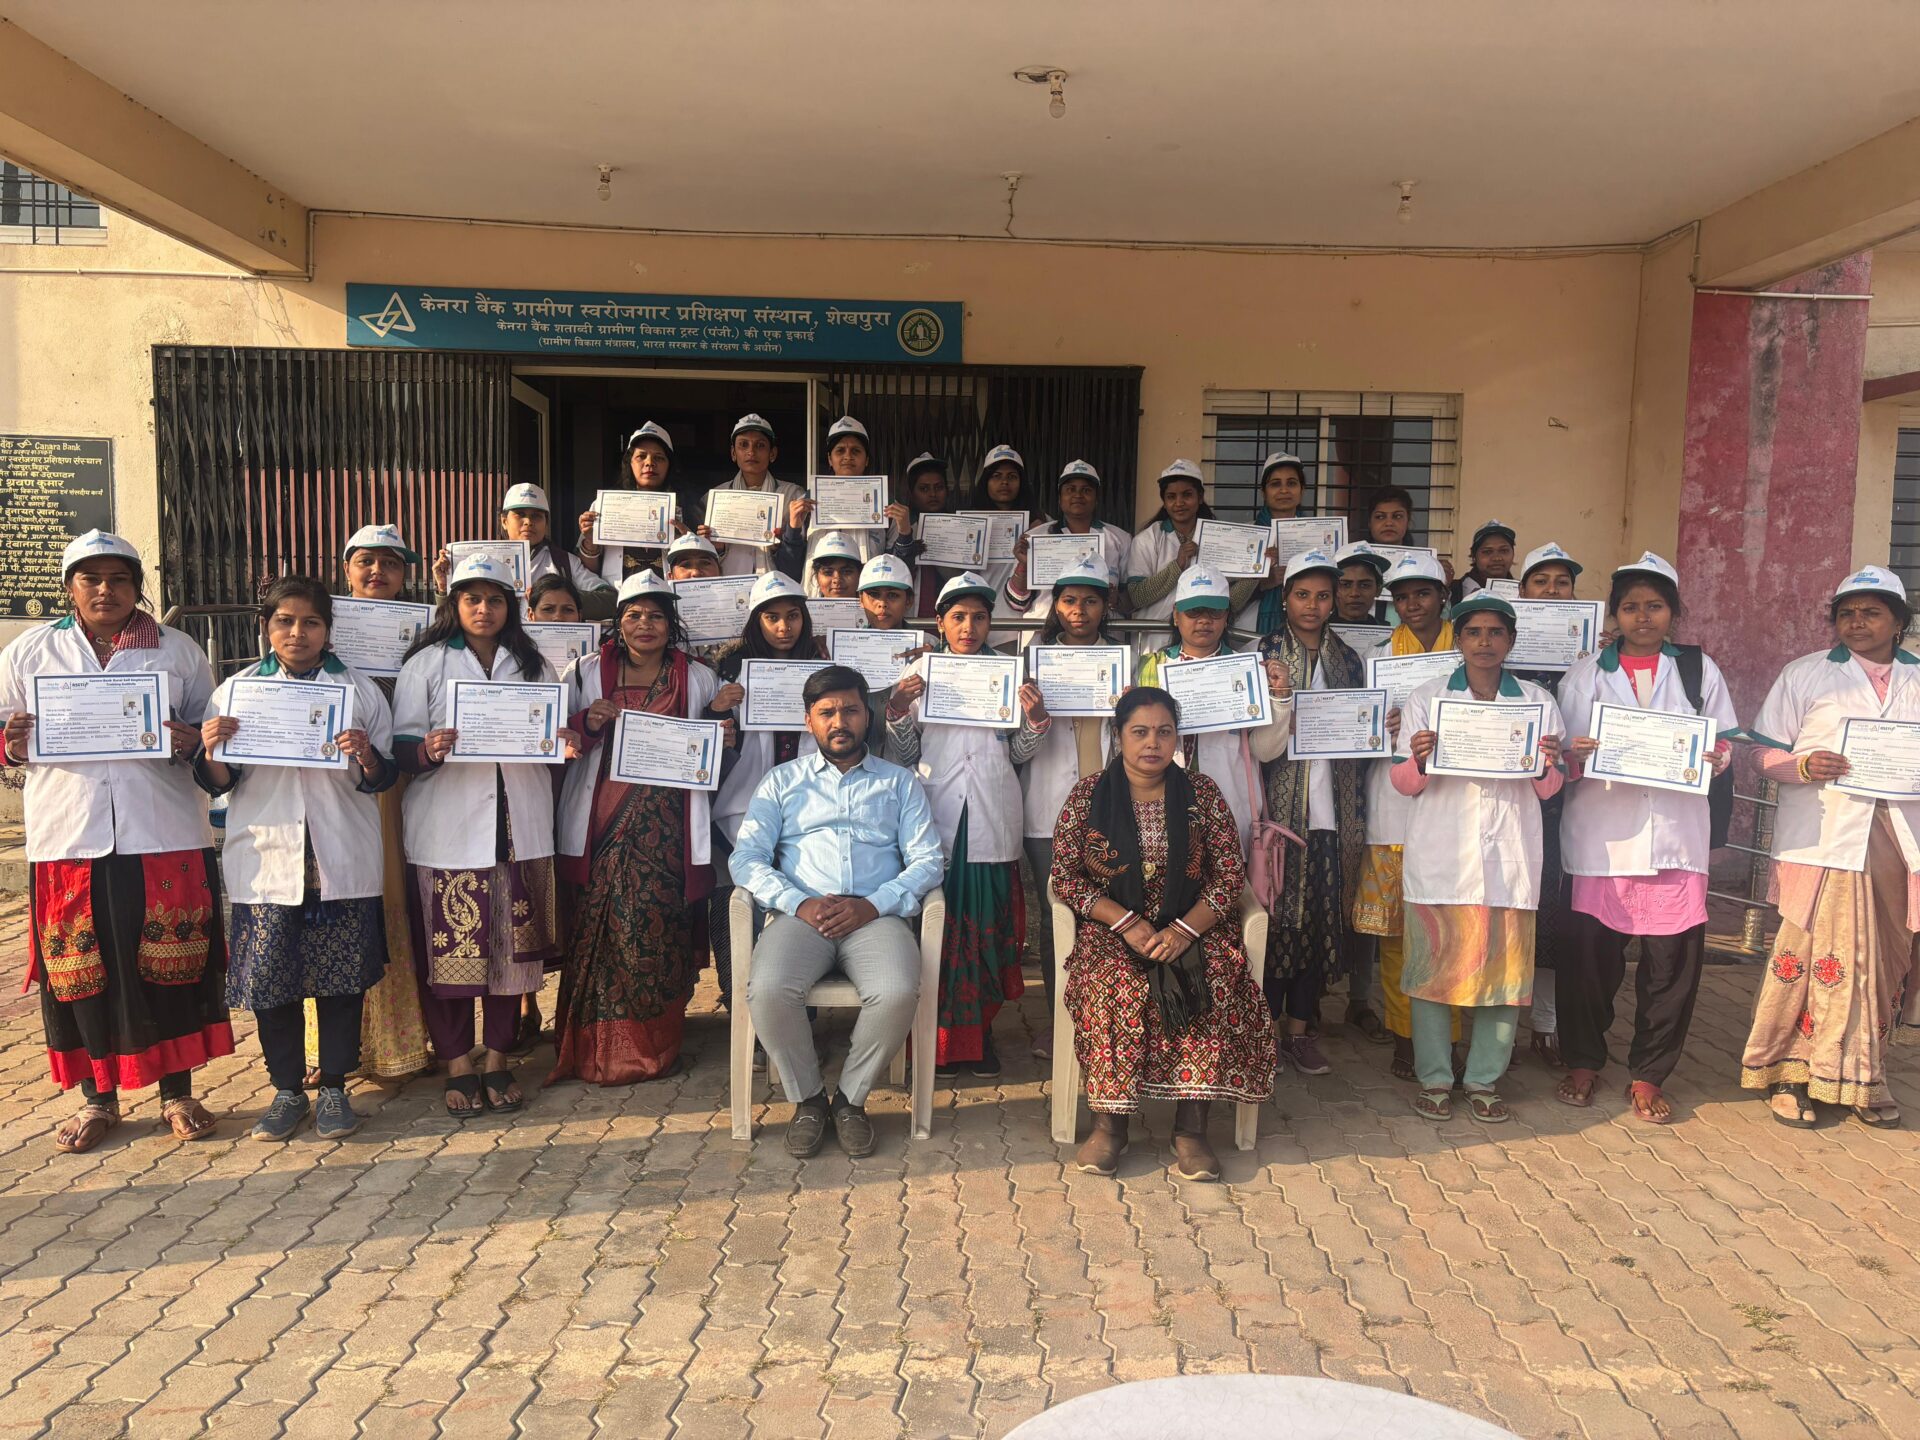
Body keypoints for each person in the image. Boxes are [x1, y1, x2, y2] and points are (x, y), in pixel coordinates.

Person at [0, 530, 230, 1152]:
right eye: (91, 578)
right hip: (69, 836)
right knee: (81, 969)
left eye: (120, 578)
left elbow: (210, 735)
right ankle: (97, 1099)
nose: (106, 590)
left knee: (172, 963)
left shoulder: (177, 651)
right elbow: (2, 735)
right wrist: (11, 742)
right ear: (70, 587)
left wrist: (192, 740)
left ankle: (177, 1092)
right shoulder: (30, 652)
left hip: (163, 831)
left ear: (136, 586)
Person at [197, 577, 395, 1140]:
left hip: (339, 854)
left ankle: (333, 1088)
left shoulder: (357, 691)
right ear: (266, 627)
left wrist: (367, 754)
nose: (297, 632)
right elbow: (219, 781)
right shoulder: (236, 692)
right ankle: (286, 1090)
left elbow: (383, 777)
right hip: (266, 856)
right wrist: (211, 747)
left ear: (328, 630)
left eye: (311, 622)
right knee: (271, 982)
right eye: (284, 621)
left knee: (341, 982)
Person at [1052, 687, 1278, 1180]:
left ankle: (1191, 1130)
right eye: (1139, 732)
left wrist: (1183, 930)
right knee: (1111, 983)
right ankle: (1110, 1125)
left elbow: (1228, 876)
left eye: (1164, 732)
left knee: (1215, 977)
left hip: (1191, 925)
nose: (1152, 743)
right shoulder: (1088, 795)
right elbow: (1066, 877)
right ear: (1119, 736)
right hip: (1114, 928)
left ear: (1178, 738)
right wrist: (1126, 922)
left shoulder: (1202, 793)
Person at [732, 665, 945, 1158]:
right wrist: (797, 902)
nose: (839, 721)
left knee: (896, 991)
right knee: (767, 991)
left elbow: (929, 860)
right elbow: (746, 859)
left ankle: (850, 1099)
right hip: (800, 916)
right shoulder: (781, 782)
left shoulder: (899, 783)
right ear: (809, 720)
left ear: (867, 715)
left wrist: (873, 904)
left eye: (850, 710)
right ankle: (809, 1100)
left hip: (876, 917)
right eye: (826, 712)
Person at [1555, 551, 1737, 1122]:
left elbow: (1724, 741)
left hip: (1676, 840)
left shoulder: (1699, 671)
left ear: (1672, 612)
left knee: (1671, 968)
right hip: (1602, 838)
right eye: (1631, 607)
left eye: (1654, 606)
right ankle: (1583, 1061)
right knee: (1589, 963)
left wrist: (1718, 756)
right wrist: (1575, 754)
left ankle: (1650, 1074)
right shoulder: (1586, 674)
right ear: (1616, 613)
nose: (1642, 617)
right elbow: (1559, 756)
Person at [1738, 565, 1920, 1129]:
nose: (1857, 622)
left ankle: (1864, 1075)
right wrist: (1802, 765)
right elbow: (1761, 754)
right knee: (1806, 954)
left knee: (1882, 963)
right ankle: (1790, 1074)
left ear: (1898, 621)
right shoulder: (1806, 673)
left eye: (1871, 613)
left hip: (1898, 842)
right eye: (1846, 613)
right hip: (1820, 839)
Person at [393, 553, 571, 1118]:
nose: (484, 609)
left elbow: (552, 740)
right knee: (449, 958)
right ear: (455, 603)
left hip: (520, 827)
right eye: (473, 598)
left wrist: (563, 739)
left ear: (509, 607)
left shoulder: (535, 666)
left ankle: (496, 1058)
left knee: (509, 956)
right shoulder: (425, 664)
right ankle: (457, 1063)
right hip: (447, 829)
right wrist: (427, 750)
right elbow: (401, 748)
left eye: (495, 599)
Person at [1392, 592, 1566, 1123]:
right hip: (1441, 858)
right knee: (1431, 975)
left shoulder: (1536, 701)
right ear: (1459, 639)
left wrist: (1548, 763)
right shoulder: (1428, 698)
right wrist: (1420, 758)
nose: (1484, 642)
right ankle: (1435, 1078)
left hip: (1509, 860)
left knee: (1505, 980)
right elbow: (1403, 782)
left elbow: (1551, 789)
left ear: (1510, 640)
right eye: (1473, 632)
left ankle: (1485, 1080)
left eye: (1495, 632)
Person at [551, 570, 726, 1084]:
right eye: (633, 615)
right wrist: (587, 723)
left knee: (655, 935)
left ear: (671, 625)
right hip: (600, 825)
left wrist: (720, 726)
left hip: (668, 832)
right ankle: (594, 1050)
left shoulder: (699, 676)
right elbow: (554, 736)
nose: (644, 624)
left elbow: (714, 749)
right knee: (600, 935)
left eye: (655, 616)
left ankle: (654, 1047)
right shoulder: (584, 672)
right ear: (618, 623)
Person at [887, 572, 1048, 1075]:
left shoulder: (1010, 674)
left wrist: (1037, 720)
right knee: (935, 935)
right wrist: (897, 709)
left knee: (986, 938)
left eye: (979, 617)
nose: (969, 627)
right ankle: (931, 1039)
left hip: (990, 818)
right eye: (958, 617)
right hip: (935, 814)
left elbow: (1017, 754)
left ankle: (980, 1037)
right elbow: (906, 754)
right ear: (940, 622)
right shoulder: (920, 675)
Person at [307, 525, 432, 1086]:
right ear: (346, 570)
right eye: (365, 561)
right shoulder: (318, 629)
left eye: (391, 562)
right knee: (338, 896)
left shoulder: (426, 633)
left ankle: (401, 1042)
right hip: (333, 786)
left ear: (405, 574)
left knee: (397, 895)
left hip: (404, 783)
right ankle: (334, 1048)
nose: (377, 571)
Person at [1250, 552, 1370, 1074]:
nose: (1313, 605)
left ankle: (1298, 1032)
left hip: (1332, 812)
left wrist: (1376, 725)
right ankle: (1263, 1032)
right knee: (1276, 923)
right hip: (1280, 813)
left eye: (1323, 596)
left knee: (1318, 924)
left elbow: (1360, 732)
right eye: (1303, 594)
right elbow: (1255, 740)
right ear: (1285, 598)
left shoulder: (1349, 660)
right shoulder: (1264, 652)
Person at [1020, 563, 1130, 1060]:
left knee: (1112, 914)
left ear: (1105, 606)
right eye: (1069, 600)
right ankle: (1059, 1020)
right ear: (1056, 606)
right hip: (1048, 807)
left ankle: (1108, 1022)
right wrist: (1032, 712)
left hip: (1109, 808)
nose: (1079, 610)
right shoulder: (1031, 662)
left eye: (1090, 601)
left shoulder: (1124, 662)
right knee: (1055, 917)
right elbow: (1016, 742)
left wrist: (1128, 706)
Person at [1353, 552, 1456, 1081]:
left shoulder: (1467, 653)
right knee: (1396, 937)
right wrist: (1377, 725)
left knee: (1451, 932)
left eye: (1423, 593)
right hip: (1392, 811)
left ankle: (1451, 1038)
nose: (1413, 604)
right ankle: (1405, 1034)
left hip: (1455, 810)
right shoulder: (1376, 655)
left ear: (1443, 596)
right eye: (1402, 596)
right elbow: (1353, 732)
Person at [708, 572, 822, 1005]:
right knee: (737, 900)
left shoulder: (822, 667)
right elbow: (710, 746)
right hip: (742, 807)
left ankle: (795, 1004)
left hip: (809, 807)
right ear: (756, 621)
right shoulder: (729, 672)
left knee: (799, 900)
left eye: (793, 616)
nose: (783, 627)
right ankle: (738, 997)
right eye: (771, 617)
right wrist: (717, 713)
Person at [1137, 568, 1290, 853]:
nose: (1204, 620)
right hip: (1162, 805)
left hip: (1230, 807)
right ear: (1176, 615)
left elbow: (1264, 751)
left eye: (1215, 612)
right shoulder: (1152, 668)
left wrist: (1281, 699)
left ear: (1227, 616)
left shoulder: (1248, 670)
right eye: (1194, 612)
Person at [1509, 541, 1586, 1071]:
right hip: (1511, 801)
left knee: (1554, 912)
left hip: (1570, 800)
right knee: (1512, 908)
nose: (1552, 591)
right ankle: (1502, 1026)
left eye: (1562, 583)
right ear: (1522, 591)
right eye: (1541, 581)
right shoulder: (1500, 653)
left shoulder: (1590, 658)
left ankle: (1546, 1024)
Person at [434, 482, 613, 611]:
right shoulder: (481, 560)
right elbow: (455, 616)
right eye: (520, 514)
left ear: (546, 523)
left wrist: (555, 597)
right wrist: (443, 588)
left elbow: (609, 600)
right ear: (504, 521)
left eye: (536, 516)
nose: (528, 522)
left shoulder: (564, 562)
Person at [773, 415, 897, 588]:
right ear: (830, 459)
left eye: (856, 451)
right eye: (840, 451)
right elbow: (789, 569)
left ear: (866, 459)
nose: (848, 456)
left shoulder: (885, 504)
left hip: (869, 597)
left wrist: (905, 533)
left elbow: (896, 566)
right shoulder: (807, 503)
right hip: (817, 597)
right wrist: (793, 529)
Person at [1007, 461, 1133, 623]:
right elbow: (1016, 603)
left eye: (1086, 490)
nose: (1078, 495)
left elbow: (1132, 601)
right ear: (1060, 499)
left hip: (1102, 632)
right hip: (1043, 629)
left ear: (1096, 499)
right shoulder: (1035, 537)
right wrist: (1024, 565)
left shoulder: (1120, 539)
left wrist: (1116, 599)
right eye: (1070, 489)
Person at [578, 421, 684, 586]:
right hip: (618, 598)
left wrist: (687, 542)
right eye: (641, 456)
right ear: (630, 463)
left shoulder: (686, 509)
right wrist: (590, 541)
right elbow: (586, 573)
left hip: (668, 597)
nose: (649, 463)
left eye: (659, 458)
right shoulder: (604, 507)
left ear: (669, 466)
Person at [713, 413, 804, 577]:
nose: (751, 452)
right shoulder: (715, 499)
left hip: (776, 585)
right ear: (733, 453)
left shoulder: (793, 495)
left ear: (772, 453)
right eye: (743, 445)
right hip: (730, 585)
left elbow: (804, 555)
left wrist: (782, 544)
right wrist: (716, 546)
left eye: (760, 445)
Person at [967, 444, 1039, 641]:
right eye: (996, 476)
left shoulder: (1041, 524)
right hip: (978, 620)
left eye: (1012, 477)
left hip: (1025, 622)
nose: (1004, 482)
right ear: (986, 482)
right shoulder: (968, 522)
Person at [1127, 459, 1213, 623]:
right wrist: (1177, 565)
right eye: (1171, 497)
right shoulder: (1147, 539)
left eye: (1187, 495)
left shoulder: (1216, 538)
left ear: (1200, 497)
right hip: (1156, 633)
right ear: (1164, 503)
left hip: (1202, 631)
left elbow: (1226, 593)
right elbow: (1137, 596)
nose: (1179, 503)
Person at [1238, 453, 1311, 636]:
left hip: (1306, 630)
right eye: (1275, 484)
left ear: (1302, 490)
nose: (1284, 490)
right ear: (1264, 492)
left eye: (1291, 483)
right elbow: (1225, 597)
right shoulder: (1245, 535)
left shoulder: (1315, 536)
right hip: (1248, 633)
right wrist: (1262, 583)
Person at [885, 452, 958, 616]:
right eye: (924, 489)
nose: (932, 494)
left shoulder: (960, 527)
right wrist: (908, 548)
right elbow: (891, 572)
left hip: (951, 613)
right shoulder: (902, 526)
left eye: (939, 487)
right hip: (912, 615)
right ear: (911, 493)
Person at [1450, 519, 1518, 604]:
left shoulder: (1523, 591)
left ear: (1513, 553)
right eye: (1487, 552)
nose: (1497, 558)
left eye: (1504, 551)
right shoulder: (1453, 591)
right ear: (1474, 555)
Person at [808, 531, 864, 599]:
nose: (837, 580)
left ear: (860, 574)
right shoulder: (803, 606)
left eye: (846, 572)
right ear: (817, 577)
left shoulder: (875, 606)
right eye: (828, 572)